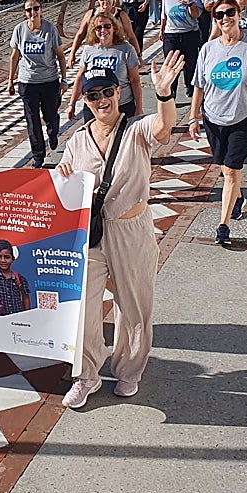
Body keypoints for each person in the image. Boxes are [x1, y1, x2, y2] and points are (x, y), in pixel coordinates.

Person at [58, 54, 185, 407]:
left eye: (108, 92)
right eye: (93, 95)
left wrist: (164, 94)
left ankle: (129, 371)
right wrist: (65, 176)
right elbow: (64, 183)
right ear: (85, 100)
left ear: (120, 92)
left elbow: (163, 129)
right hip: (92, 234)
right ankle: (86, 375)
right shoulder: (77, 140)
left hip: (132, 228)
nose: (101, 101)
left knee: (133, 305)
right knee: (82, 305)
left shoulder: (136, 129)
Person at [189, 0, 247, 247]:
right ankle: (237, 196)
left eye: (229, 13)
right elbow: (199, 87)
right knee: (225, 168)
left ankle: (223, 225)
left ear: (239, 14)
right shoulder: (208, 49)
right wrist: (194, 118)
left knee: (232, 169)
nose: (225, 18)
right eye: (219, 15)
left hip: (245, 118)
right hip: (214, 119)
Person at [9, 0, 67, 168]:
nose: (32, 13)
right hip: (27, 82)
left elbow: (60, 56)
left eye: (36, 9)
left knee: (50, 115)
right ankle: (38, 156)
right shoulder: (19, 30)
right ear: (24, 13)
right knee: (32, 120)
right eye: (29, 10)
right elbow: (14, 56)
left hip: (49, 81)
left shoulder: (50, 29)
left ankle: (53, 132)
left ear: (41, 10)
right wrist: (10, 81)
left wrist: (64, 80)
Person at [69, 13, 143, 121]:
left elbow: (134, 79)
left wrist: (139, 108)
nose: (103, 30)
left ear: (114, 28)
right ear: (94, 30)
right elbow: (80, 78)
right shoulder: (88, 49)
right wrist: (72, 104)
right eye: (99, 27)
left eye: (107, 26)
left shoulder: (126, 49)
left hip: (121, 104)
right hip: (95, 104)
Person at [159, 0, 202, 100]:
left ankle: (190, 88)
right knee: (171, 65)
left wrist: (189, 3)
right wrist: (162, 30)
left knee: (190, 64)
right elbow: (164, 16)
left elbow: (196, 15)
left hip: (189, 33)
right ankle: (171, 93)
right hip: (172, 35)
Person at [68, 0, 141, 61]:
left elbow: (131, 36)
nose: (106, 1)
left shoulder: (121, 15)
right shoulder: (91, 14)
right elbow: (80, 35)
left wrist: (138, 55)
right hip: (95, 53)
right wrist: (72, 54)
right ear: (98, 0)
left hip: (116, 53)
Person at [0, 239, 31, 316]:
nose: (3, 260)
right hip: (2, 315)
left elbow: (26, 298)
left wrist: (27, 315)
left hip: (18, 313)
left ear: (12, 259)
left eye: (7, 257)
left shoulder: (20, 279)